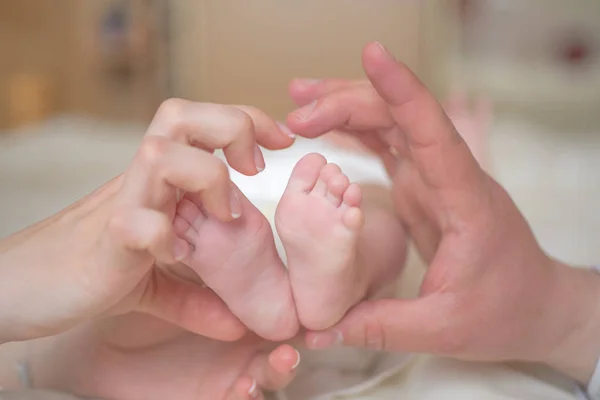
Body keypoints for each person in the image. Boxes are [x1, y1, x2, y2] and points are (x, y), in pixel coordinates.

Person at [285, 42, 600, 398]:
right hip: (327, 210)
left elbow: (479, 198)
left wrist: (472, 150)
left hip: (300, 214)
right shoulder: (357, 174)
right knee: (373, 223)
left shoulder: (381, 174)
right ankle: (336, 280)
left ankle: (327, 281)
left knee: (374, 221)